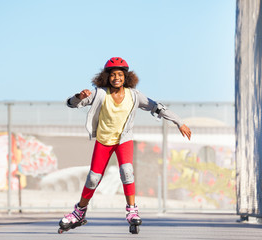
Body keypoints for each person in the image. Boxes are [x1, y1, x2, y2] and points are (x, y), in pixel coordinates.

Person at [58, 57, 191, 234]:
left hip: (123, 140)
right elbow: (71, 104)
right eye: (112, 75)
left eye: (120, 74)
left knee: (126, 171)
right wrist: (78, 96)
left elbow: (156, 107)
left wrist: (179, 122)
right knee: (93, 178)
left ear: (126, 77)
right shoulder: (99, 93)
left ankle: (132, 210)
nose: (116, 78)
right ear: (106, 77)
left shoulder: (134, 95)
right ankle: (79, 212)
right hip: (104, 141)